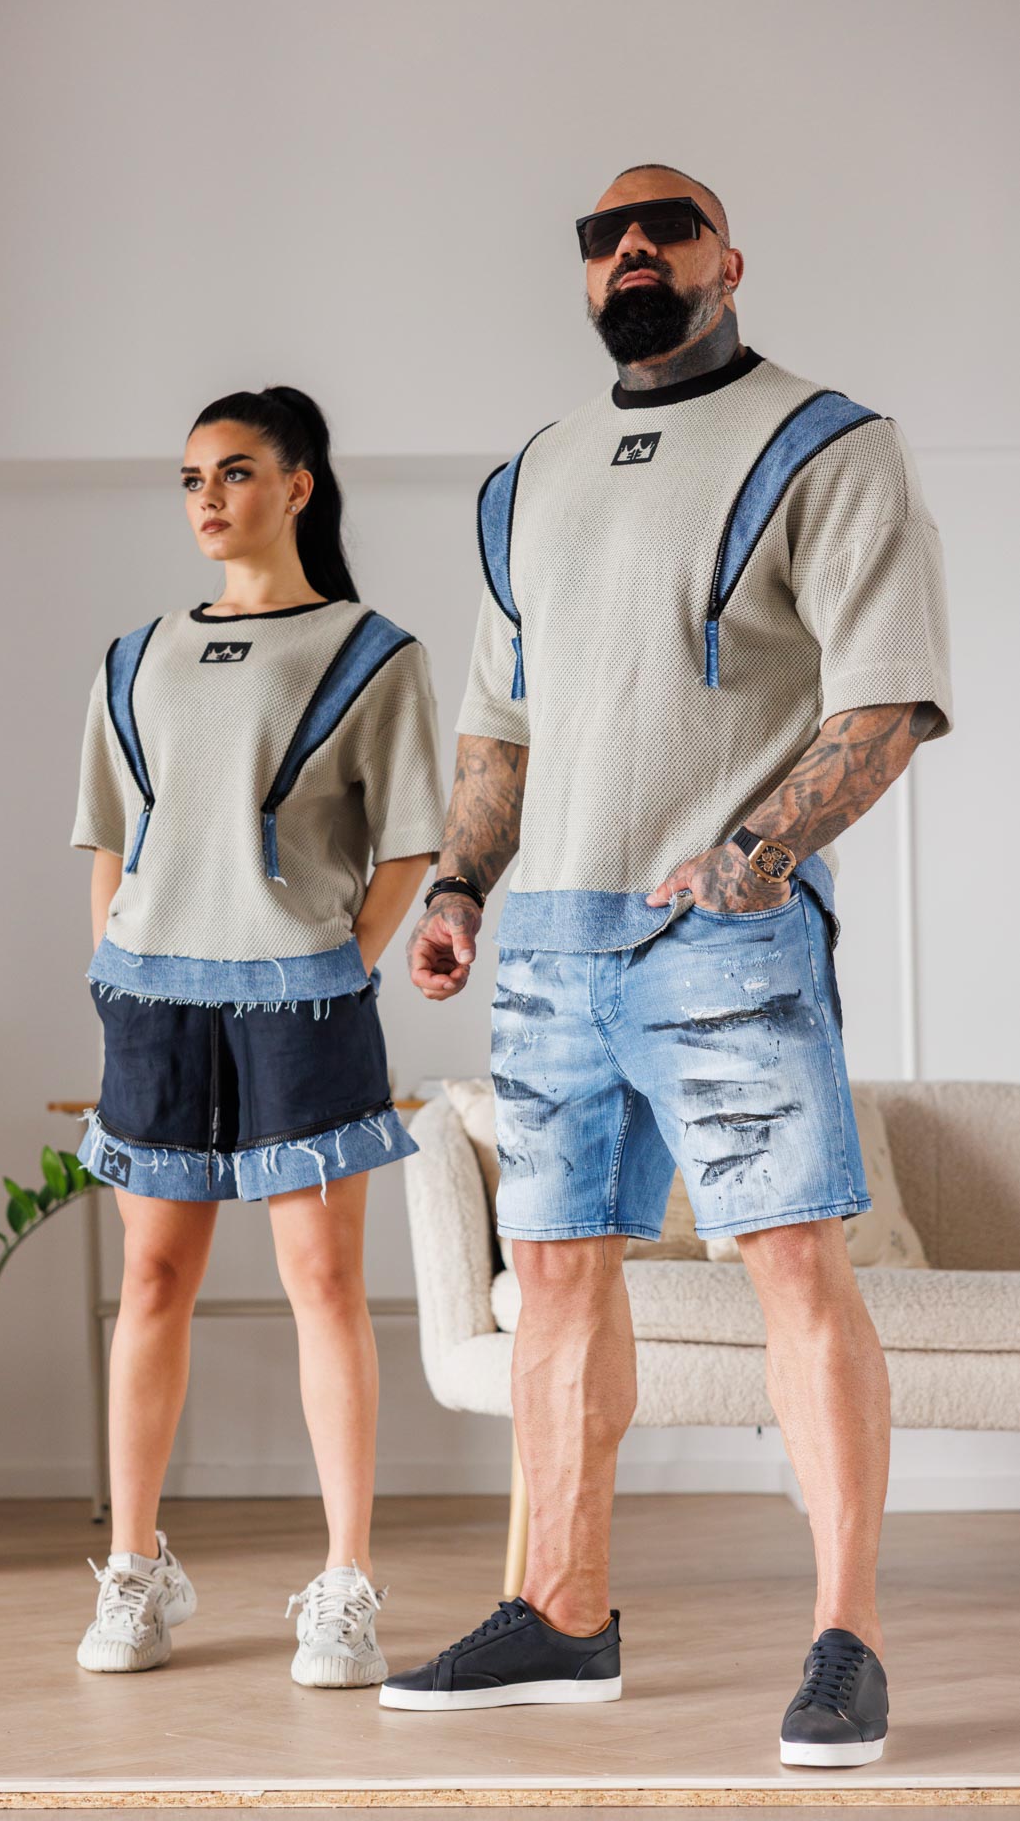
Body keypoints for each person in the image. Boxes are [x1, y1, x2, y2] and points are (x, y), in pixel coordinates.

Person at [386, 165, 954, 1766]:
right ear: (585, 276)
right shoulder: (527, 478)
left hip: (723, 936)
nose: (630, 247)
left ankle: (845, 1640)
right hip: (549, 945)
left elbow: (885, 699)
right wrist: (456, 884)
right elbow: (498, 727)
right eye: (602, 236)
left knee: (789, 1265)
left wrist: (754, 857)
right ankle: (559, 1614)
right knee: (555, 1274)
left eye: (666, 226)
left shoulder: (825, 445)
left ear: (727, 260)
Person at [69, 384, 444, 1687]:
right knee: (153, 1282)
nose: (208, 499)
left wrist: (342, 961)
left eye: (233, 472)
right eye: (191, 478)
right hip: (152, 1002)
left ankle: (344, 1583)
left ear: (297, 485)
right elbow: (109, 834)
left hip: (303, 1003)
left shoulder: (372, 653)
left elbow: (411, 840)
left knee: (322, 1284)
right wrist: (109, 963)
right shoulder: (134, 656)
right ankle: (134, 1568)